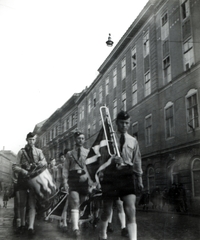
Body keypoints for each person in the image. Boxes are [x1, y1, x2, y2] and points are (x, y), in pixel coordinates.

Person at [98, 110, 143, 240]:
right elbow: (102, 159)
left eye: (127, 123)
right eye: (122, 123)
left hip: (126, 175)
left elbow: (137, 161)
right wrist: (110, 162)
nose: (124, 125)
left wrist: (139, 179)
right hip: (110, 175)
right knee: (106, 210)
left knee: (131, 209)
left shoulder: (133, 141)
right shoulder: (109, 140)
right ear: (116, 123)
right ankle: (102, 235)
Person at [12, 132, 47, 236]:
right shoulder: (21, 152)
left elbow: (45, 162)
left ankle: (31, 227)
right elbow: (15, 166)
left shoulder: (39, 151)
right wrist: (23, 171)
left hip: (34, 180)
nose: (31, 141)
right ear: (26, 140)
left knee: (32, 203)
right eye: (29, 139)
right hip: (23, 180)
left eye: (33, 140)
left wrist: (41, 163)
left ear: (35, 140)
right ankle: (22, 225)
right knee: (22, 203)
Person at [62, 131, 89, 238]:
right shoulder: (69, 154)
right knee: (75, 201)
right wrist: (65, 181)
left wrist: (88, 177)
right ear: (75, 140)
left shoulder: (88, 152)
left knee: (81, 202)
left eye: (82, 138)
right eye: (79, 138)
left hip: (84, 178)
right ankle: (75, 228)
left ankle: (75, 218)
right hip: (73, 178)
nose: (81, 140)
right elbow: (65, 168)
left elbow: (90, 167)